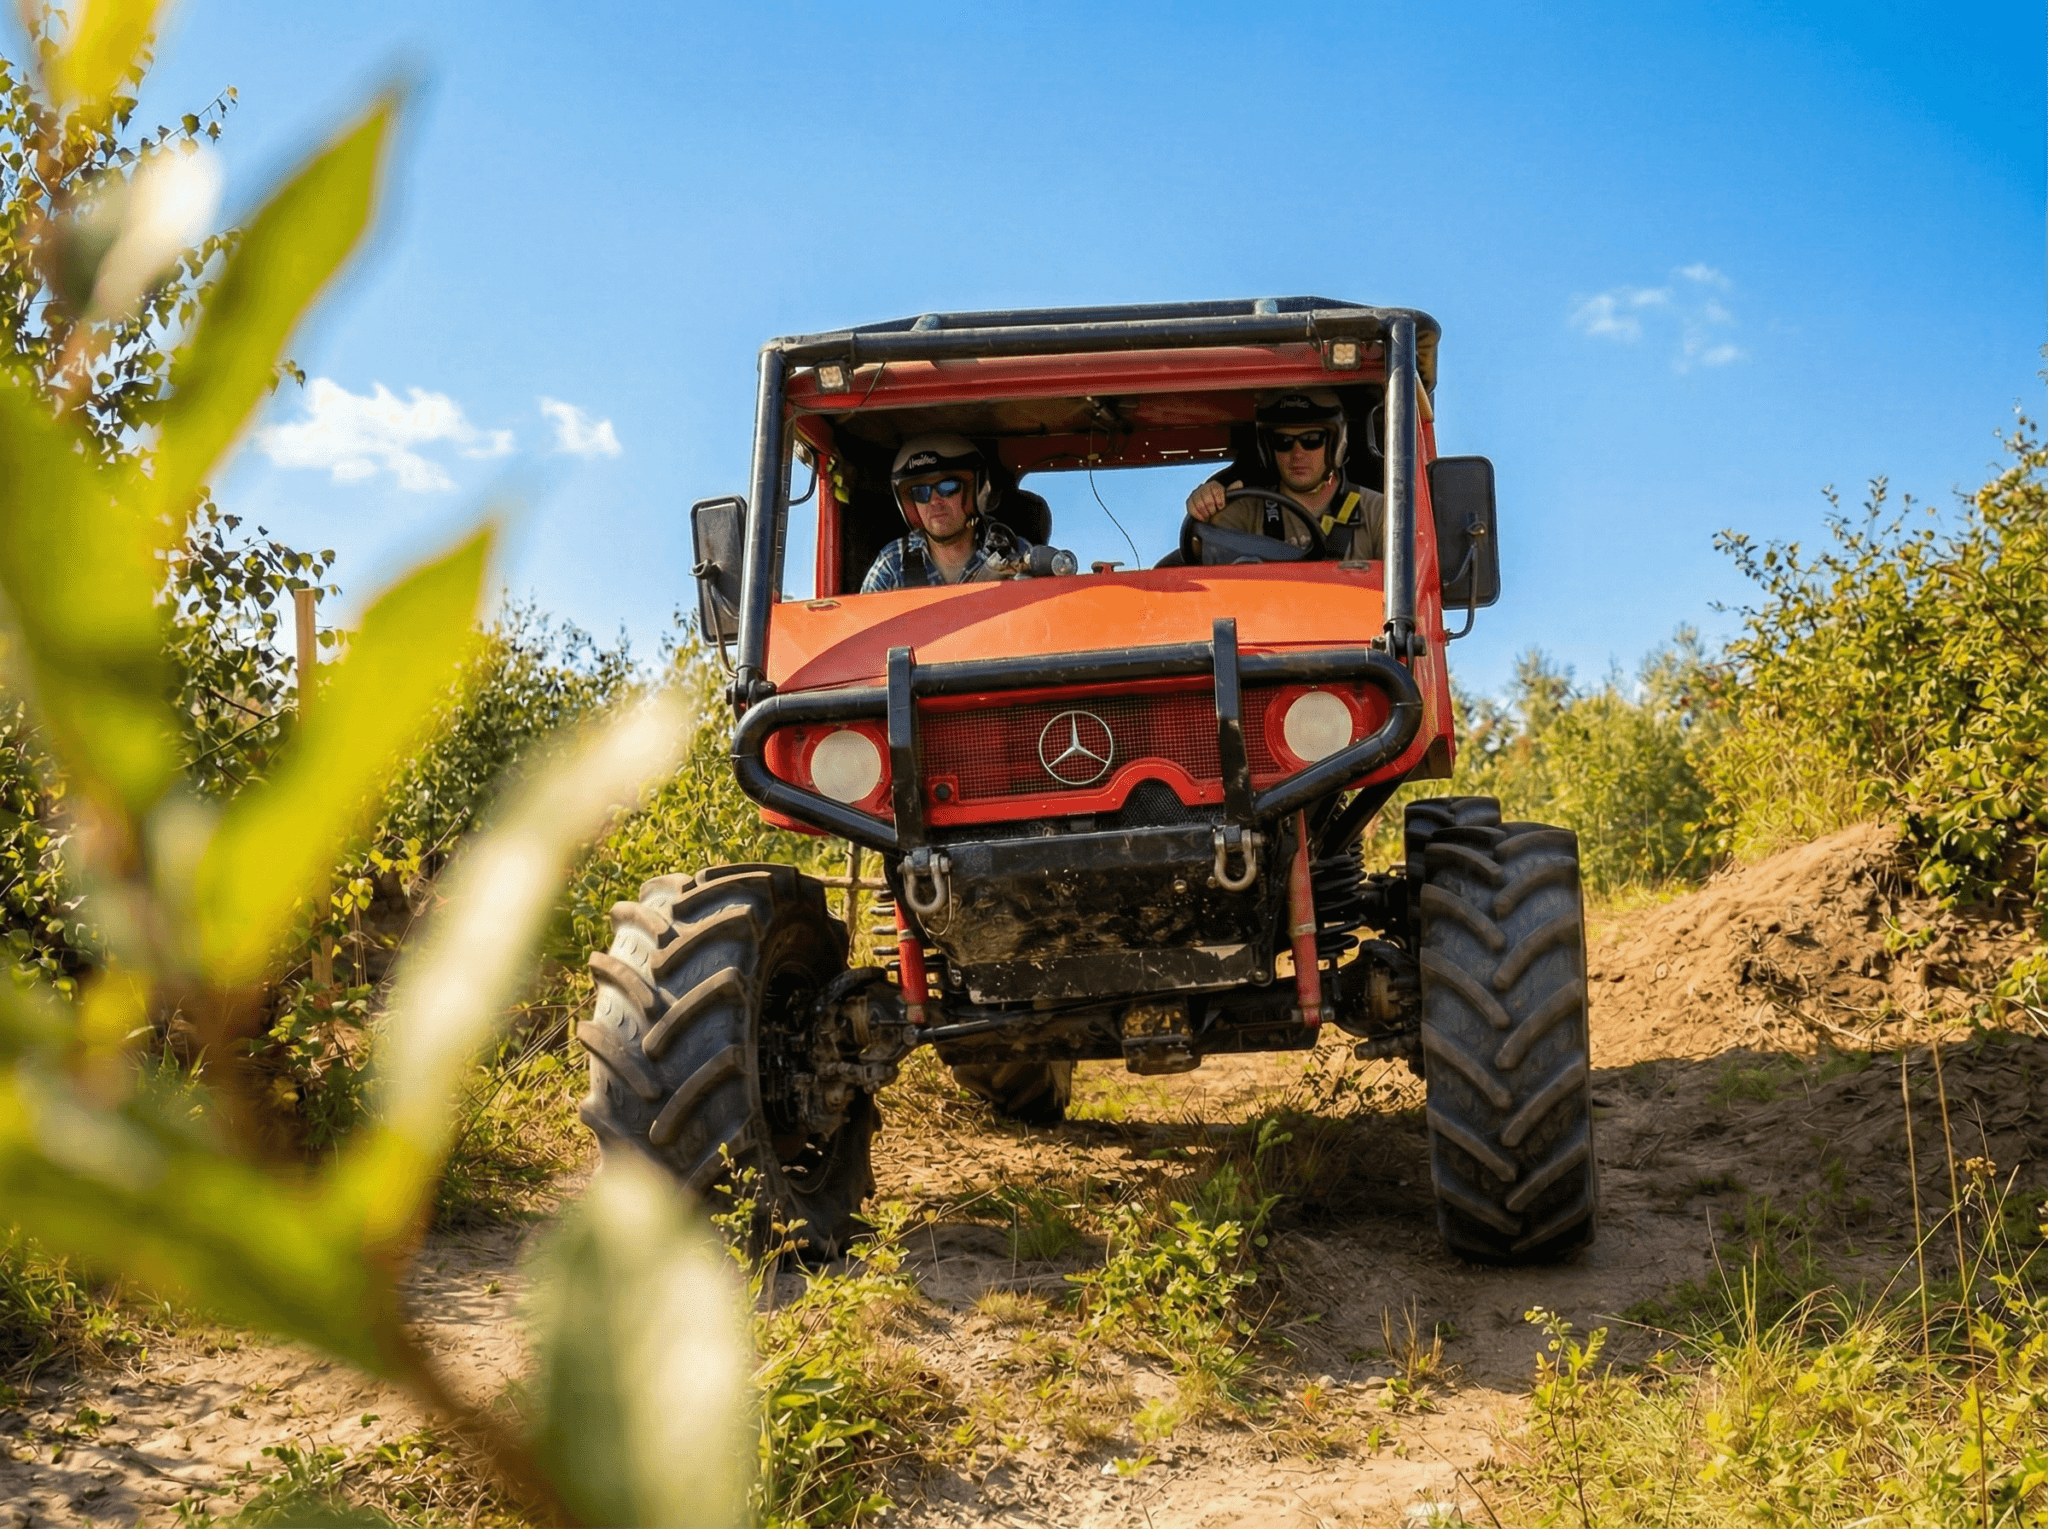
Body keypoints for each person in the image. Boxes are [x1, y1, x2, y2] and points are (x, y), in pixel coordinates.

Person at [1184, 388, 1385, 559]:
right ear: (1268, 449)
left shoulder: (1381, 512)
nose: (1297, 454)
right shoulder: (1244, 511)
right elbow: (1203, 556)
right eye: (1284, 442)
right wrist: (1208, 508)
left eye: (1311, 439)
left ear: (1335, 445)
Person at [861, 433, 1033, 592]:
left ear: (975, 491)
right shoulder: (893, 563)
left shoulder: (1015, 551)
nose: (935, 501)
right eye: (921, 493)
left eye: (948, 487)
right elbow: (862, 622)